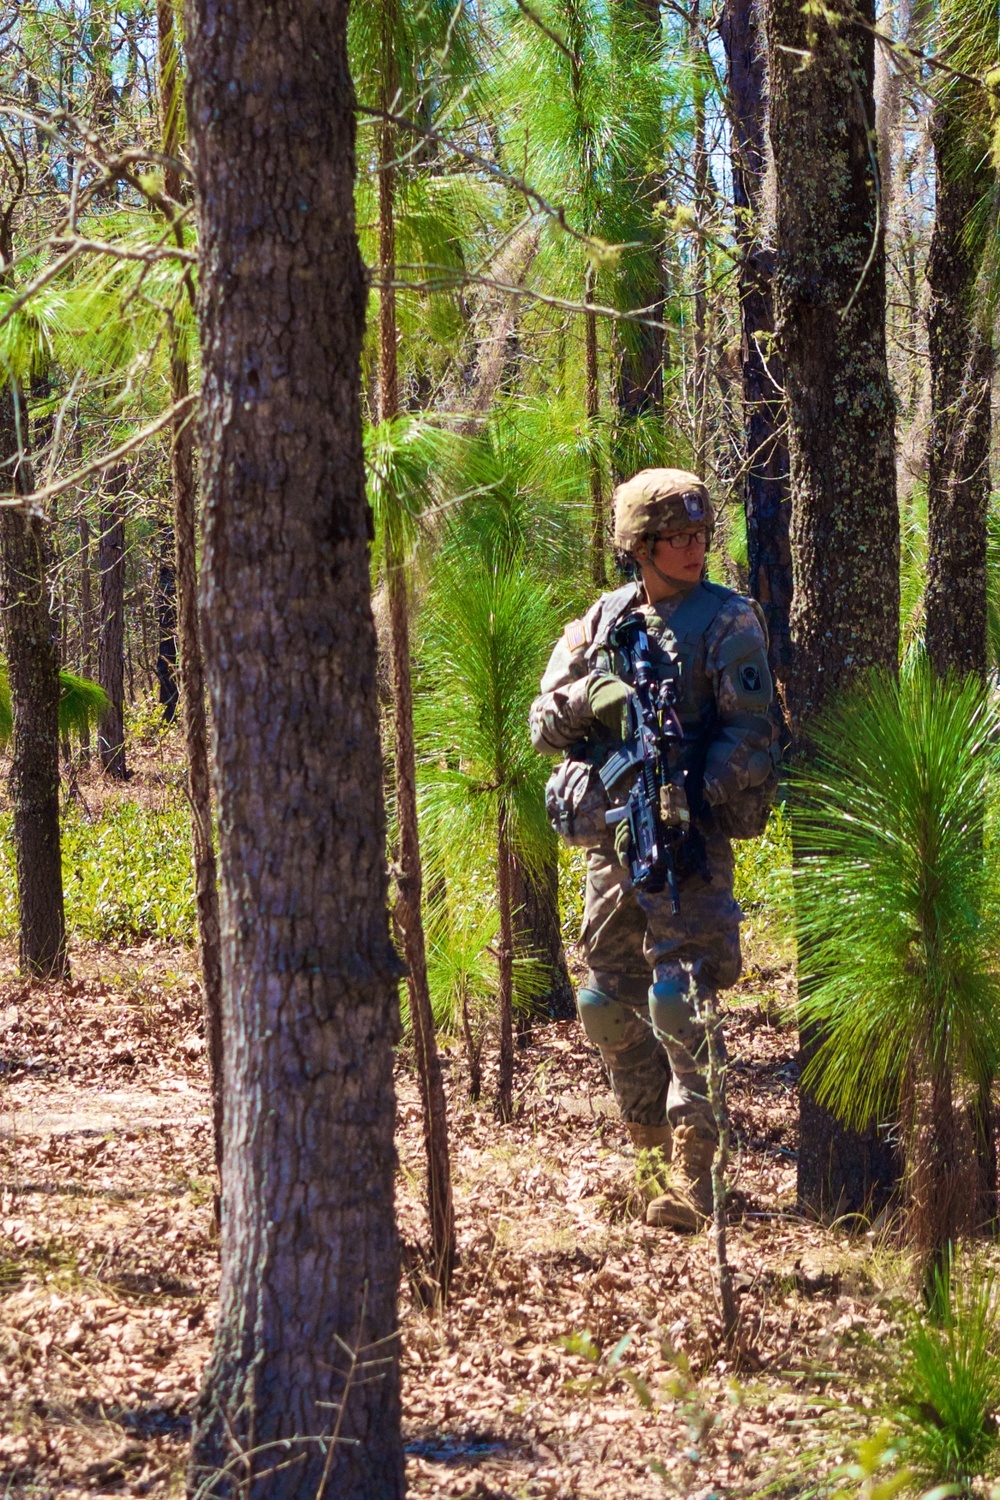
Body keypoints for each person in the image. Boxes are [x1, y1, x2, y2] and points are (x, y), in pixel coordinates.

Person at [529, 468, 777, 1231]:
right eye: (677, 537)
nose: (694, 548)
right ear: (640, 545)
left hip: (687, 845)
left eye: (701, 535)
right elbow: (543, 725)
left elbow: (754, 734)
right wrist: (588, 700)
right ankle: (644, 1150)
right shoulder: (600, 624)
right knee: (606, 1003)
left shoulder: (730, 620)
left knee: (682, 998)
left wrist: (691, 787)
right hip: (613, 842)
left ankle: (694, 1173)